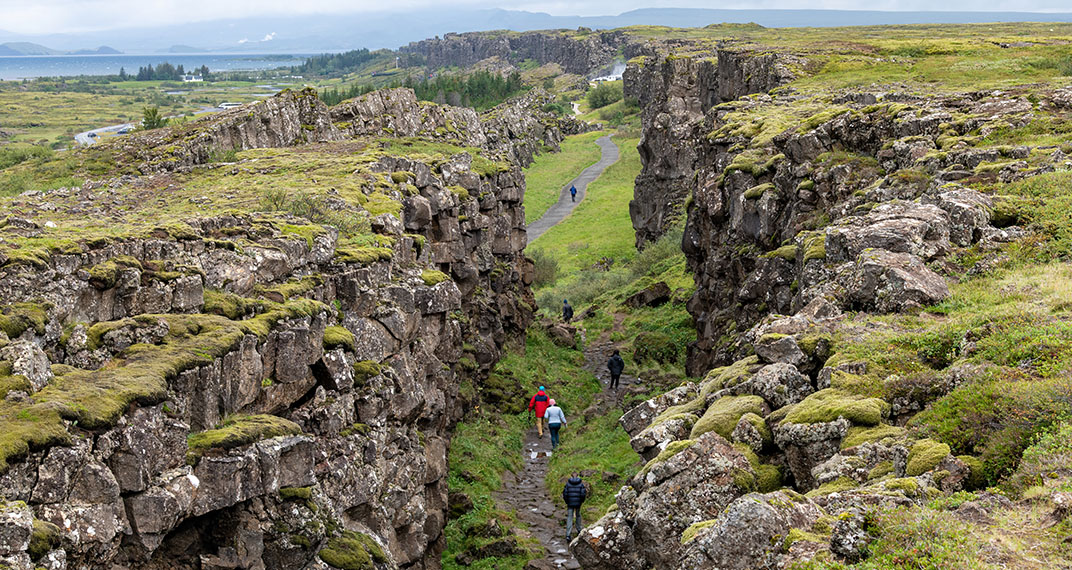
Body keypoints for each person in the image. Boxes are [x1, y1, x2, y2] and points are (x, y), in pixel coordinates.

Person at [563, 473, 587, 541]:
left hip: (570, 503)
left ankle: (568, 534)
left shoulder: (568, 484)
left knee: (569, 517)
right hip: (578, 503)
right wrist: (581, 501)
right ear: (577, 476)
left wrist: (567, 502)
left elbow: (565, 494)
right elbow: (583, 494)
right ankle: (579, 529)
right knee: (578, 516)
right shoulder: (581, 484)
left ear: (571, 476)